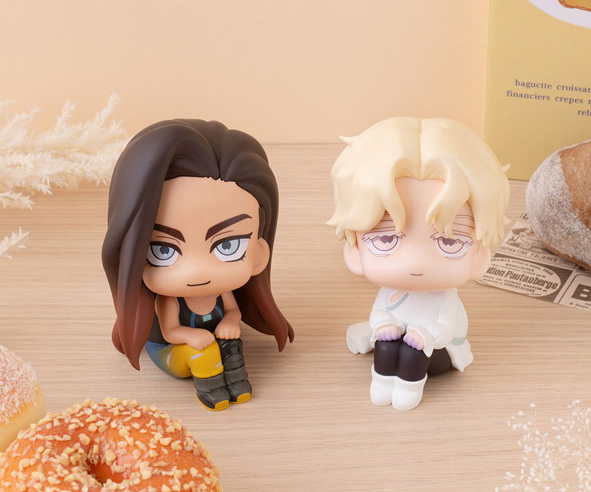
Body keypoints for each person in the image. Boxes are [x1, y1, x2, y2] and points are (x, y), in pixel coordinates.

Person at [102, 119, 293, 411]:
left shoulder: (222, 293)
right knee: (203, 355)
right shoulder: (170, 301)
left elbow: (233, 312)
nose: (196, 271)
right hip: (173, 350)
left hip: (213, 340)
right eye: (163, 250)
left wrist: (230, 322)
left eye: (228, 246)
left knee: (231, 347)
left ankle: (237, 386)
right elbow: (170, 332)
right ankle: (213, 394)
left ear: (258, 252)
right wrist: (192, 336)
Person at [328, 117, 509, 411]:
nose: (416, 261)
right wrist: (383, 325)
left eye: (449, 242)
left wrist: (424, 335)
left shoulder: (444, 300)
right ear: (354, 250)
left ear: (479, 255)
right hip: (398, 341)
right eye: (386, 239)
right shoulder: (389, 293)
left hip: (436, 353)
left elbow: (446, 329)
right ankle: (383, 384)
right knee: (386, 345)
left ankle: (407, 390)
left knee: (412, 353)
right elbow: (380, 313)